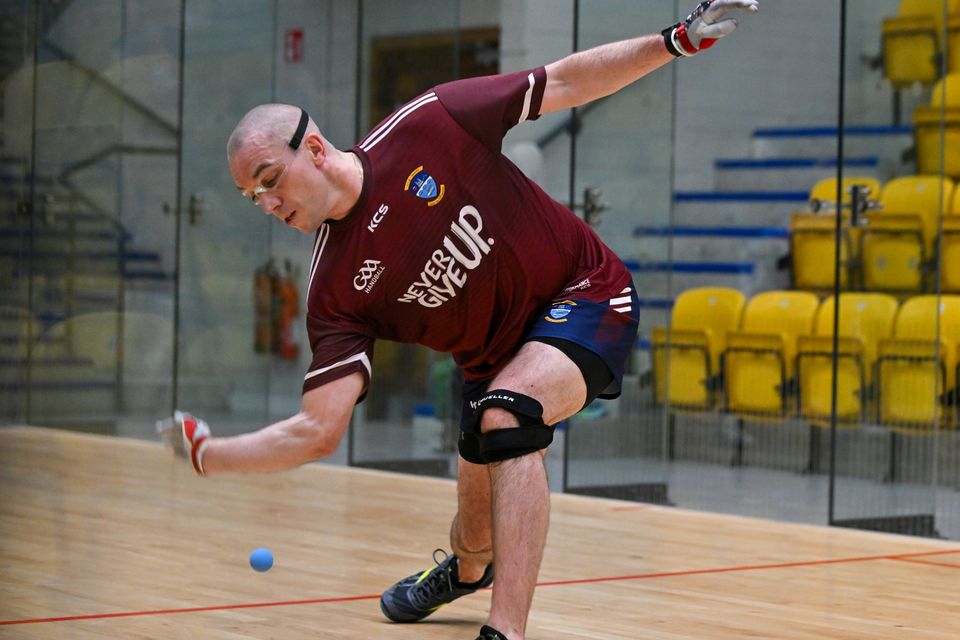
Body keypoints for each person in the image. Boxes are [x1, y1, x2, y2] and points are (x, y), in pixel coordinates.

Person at [160, 2, 758, 638]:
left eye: (270, 180)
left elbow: (565, 81)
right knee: (475, 535)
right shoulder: (333, 287)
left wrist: (675, 41)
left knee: (509, 414)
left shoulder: (431, 122)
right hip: (491, 363)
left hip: (586, 293)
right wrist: (210, 456)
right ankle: (469, 572)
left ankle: (505, 632)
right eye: (252, 197)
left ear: (312, 147)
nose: (267, 203)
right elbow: (318, 429)